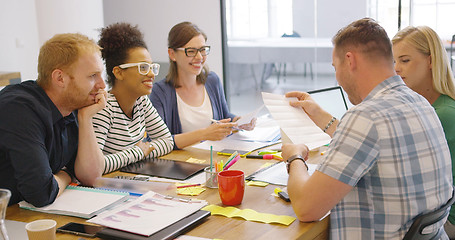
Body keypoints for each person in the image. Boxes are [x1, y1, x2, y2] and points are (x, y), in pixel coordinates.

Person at [281, 18, 453, 239]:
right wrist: (320, 115)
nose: (337, 77)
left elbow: (306, 207)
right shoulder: (421, 103)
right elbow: (377, 142)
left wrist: (294, 158)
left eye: (335, 67)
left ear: (350, 60)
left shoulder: (366, 116)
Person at [0, 33, 107, 207]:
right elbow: (41, 193)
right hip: (9, 219)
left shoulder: (71, 107)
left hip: (21, 214)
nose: (102, 85)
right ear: (59, 78)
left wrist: (86, 118)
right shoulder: (19, 109)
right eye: (92, 76)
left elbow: (91, 176)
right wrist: (67, 175)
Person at [392, 25, 455, 238]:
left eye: (405, 60)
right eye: (394, 61)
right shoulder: (425, 105)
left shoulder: (444, 113)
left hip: (444, 221)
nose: (397, 69)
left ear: (430, 61)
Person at [150, 21, 255, 149]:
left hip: (214, 158)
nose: (199, 57)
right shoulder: (160, 92)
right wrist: (204, 133)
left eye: (203, 50)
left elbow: (225, 116)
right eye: (191, 51)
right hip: (183, 164)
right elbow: (157, 141)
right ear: (172, 54)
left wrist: (238, 122)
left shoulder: (212, 81)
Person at [93, 22, 174, 174]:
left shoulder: (141, 101)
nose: (151, 74)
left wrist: (142, 150)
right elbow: (97, 165)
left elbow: (167, 141)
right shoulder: (103, 108)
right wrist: (138, 152)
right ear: (119, 73)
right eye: (143, 67)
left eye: (151, 67)